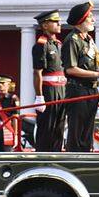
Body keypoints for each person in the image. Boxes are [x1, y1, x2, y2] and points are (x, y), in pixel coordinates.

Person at [62, 1, 99, 152]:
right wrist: (98, 74)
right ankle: (75, 158)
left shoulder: (89, 40)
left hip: (91, 90)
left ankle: (85, 154)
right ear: (81, 20)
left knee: (87, 130)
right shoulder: (72, 40)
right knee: (77, 130)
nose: (93, 20)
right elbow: (71, 69)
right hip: (78, 90)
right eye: (90, 17)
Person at [31, 9, 67, 152]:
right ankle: (43, 157)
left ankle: (56, 155)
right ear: (45, 25)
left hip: (61, 89)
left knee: (59, 126)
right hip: (48, 90)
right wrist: (40, 97)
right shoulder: (41, 45)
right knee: (47, 127)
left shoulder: (58, 44)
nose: (59, 24)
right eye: (55, 21)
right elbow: (37, 73)